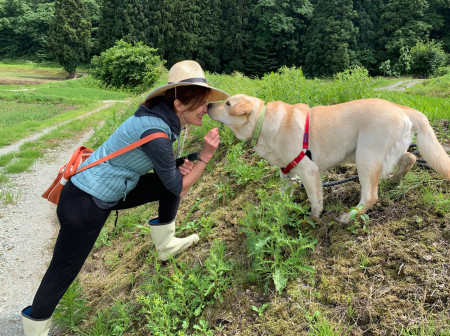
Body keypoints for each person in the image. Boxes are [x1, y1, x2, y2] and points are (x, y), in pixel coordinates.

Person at [20, 60, 229, 336]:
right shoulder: (156, 132)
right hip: (84, 204)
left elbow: (169, 178)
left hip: (110, 190)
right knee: (63, 271)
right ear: (179, 105)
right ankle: (34, 329)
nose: (207, 108)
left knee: (173, 175)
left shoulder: (160, 118)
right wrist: (206, 156)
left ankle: (165, 244)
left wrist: (181, 166)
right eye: (202, 102)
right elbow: (180, 189)